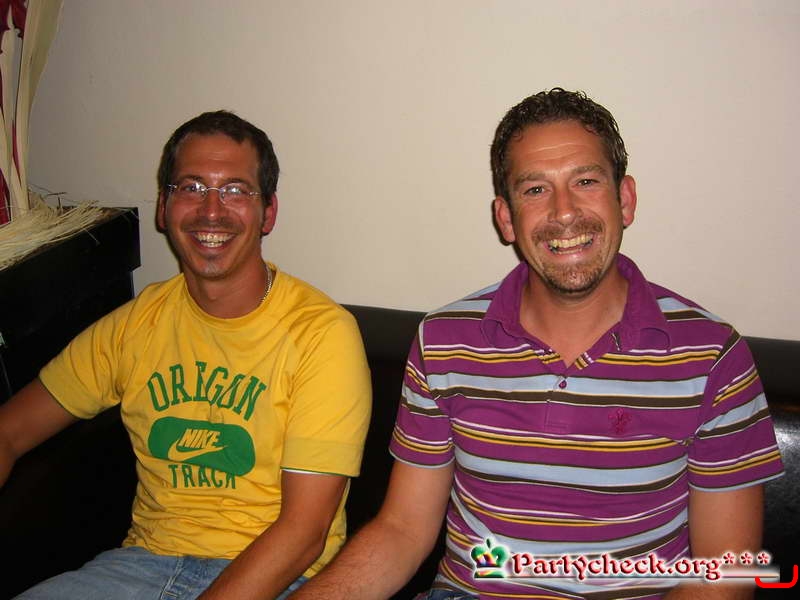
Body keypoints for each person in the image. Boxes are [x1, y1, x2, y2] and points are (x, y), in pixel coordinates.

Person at [290, 89, 784, 600]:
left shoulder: (712, 357)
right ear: (506, 218)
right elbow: (402, 530)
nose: (564, 212)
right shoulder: (443, 342)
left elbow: (724, 576)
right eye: (535, 189)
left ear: (625, 199)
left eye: (586, 181)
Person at [0, 110, 372, 600]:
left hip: (276, 579)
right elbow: (10, 431)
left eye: (236, 190)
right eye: (191, 187)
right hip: (139, 567)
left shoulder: (320, 335)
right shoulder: (135, 326)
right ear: (163, 207)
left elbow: (304, 533)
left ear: (268, 213)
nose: (211, 210)